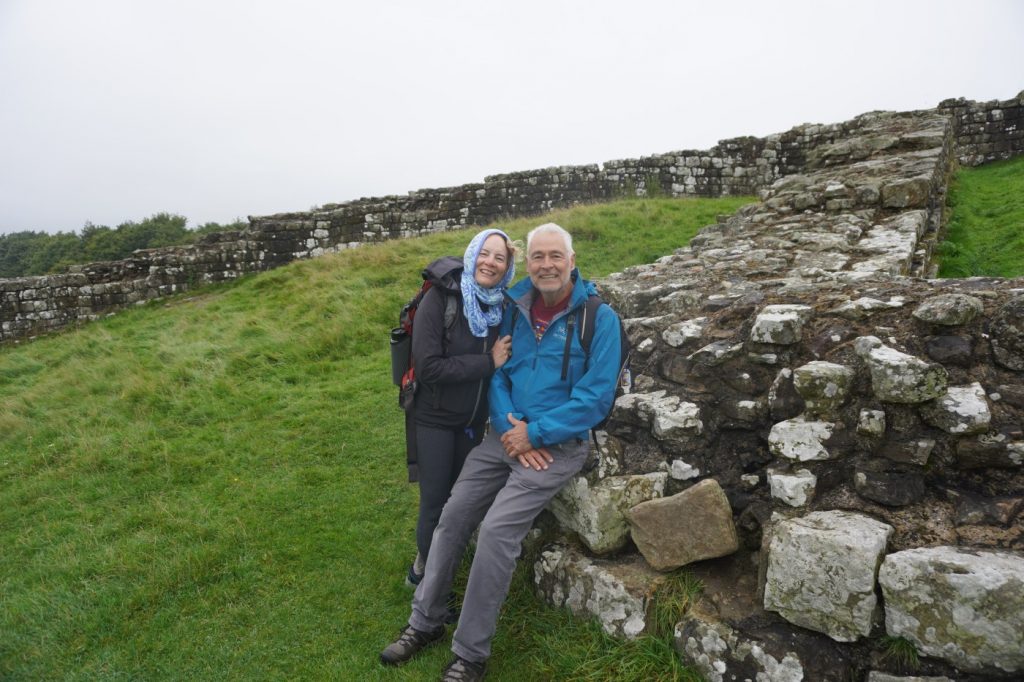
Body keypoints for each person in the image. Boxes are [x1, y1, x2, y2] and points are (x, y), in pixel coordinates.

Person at [380, 223, 622, 681]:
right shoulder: (515, 307)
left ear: (572, 260)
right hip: (503, 437)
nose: (546, 265)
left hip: (556, 446)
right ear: (526, 263)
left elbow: (595, 397)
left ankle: (470, 654)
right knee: (451, 516)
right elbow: (500, 374)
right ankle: (424, 621)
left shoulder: (599, 318)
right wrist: (512, 426)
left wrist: (537, 433)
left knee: (495, 533)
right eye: (537, 256)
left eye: (555, 256)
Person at [405, 229, 515, 588]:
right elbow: (428, 367)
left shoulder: (502, 305)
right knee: (436, 504)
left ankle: (436, 566)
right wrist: (488, 362)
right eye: (485, 253)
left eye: (500, 258)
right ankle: (428, 584)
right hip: (434, 419)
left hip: (472, 422)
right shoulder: (441, 299)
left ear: (508, 266)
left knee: (458, 503)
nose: (490, 263)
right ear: (472, 254)